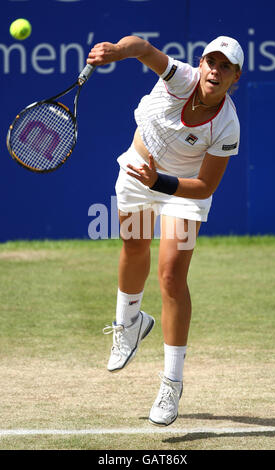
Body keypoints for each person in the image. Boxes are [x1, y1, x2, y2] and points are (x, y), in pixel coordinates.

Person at [87, 35, 243, 426]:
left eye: (225, 67)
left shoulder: (227, 126)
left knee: (172, 276)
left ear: (235, 77)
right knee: (133, 247)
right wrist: (117, 52)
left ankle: (172, 383)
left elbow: (206, 186)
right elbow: (142, 47)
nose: (215, 71)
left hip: (182, 190)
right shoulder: (179, 78)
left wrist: (161, 182)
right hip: (139, 171)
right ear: (201, 62)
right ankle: (130, 323)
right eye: (212, 61)